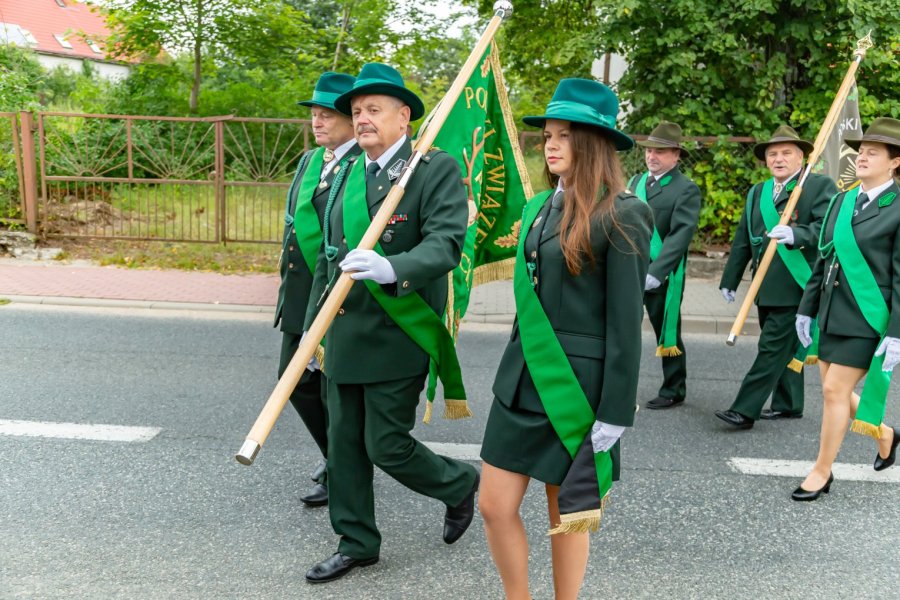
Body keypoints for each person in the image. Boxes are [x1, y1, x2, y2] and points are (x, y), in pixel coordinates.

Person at [302, 62, 479, 583]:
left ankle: (458, 483)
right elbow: (328, 259)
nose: (362, 119)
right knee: (344, 448)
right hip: (344, 333)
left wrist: (392, 267)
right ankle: (356, 542)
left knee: (385, 445)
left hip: (398, 330)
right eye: (357, 111)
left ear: (404, 117)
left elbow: (446, 244)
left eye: (373, 109)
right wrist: (312, 329)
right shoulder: (346, 173)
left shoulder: (431, 169)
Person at [478, 78, 652, 600]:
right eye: (548, 136)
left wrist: (616, 409)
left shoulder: (623, 212)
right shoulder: (537, 207)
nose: (551, 146)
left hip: (575, 388)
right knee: (493, 505)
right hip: (523, 379)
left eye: (565, 136)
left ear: (593, 143)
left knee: (567, 513)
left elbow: (626, 322)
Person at [793, 117, 900, 500]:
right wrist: (807, 308)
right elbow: (825, 257)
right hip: (831, 311)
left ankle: (821, 472)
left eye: (873, 153)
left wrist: (897, 332)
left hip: (869, 316)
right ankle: (885, 434)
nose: (862, 158)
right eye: (861, 152)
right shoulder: (844, 199)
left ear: (895, 162)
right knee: (832, 389)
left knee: (834, 390)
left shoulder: (897, 207)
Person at [274, 71, 359, 507]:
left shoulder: (360, 164)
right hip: (300, 295)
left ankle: (342, 467)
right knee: (293, 382)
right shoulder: (311, 160)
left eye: (327, 114)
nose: (317, 121)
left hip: (332, 297)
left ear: (351, 118)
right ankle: (337, 458)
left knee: (327, 389)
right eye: (314, 113)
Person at [716, 125, 837, 429]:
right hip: (764, 286)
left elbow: (828, 229)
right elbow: (744, 238)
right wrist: (730, 279)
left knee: (771, 349)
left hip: (797, 285)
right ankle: (789, 403)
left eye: (786, 153)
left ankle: (744, 410)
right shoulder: (758, 192)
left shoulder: (818, 186)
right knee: (782, 347)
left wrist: (798, 234)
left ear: (800, 158)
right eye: (772, 154)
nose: (778, 159)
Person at [629, 121, 701, 409]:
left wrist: (656, 272)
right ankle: (618, 384)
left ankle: (674, 388)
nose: (652, 156)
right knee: (623, 329)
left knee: (667, 332)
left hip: (662, 275)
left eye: (659, 151)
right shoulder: (635, 182)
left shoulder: (686, 189)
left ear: (676, 155)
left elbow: (680, 235)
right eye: (649, 150)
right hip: (630, 270)